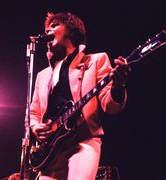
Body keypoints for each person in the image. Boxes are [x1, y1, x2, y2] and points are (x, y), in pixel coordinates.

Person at [29, 12, 130, 180]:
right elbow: (34, 113)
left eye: (54, 26)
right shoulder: (42, 75)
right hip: (50, 152)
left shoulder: (95, 61)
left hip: (83, 142)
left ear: (71, 31)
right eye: (47, 28)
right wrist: (34, 127)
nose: (48, 30)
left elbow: (110, 106)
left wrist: (118, 85)